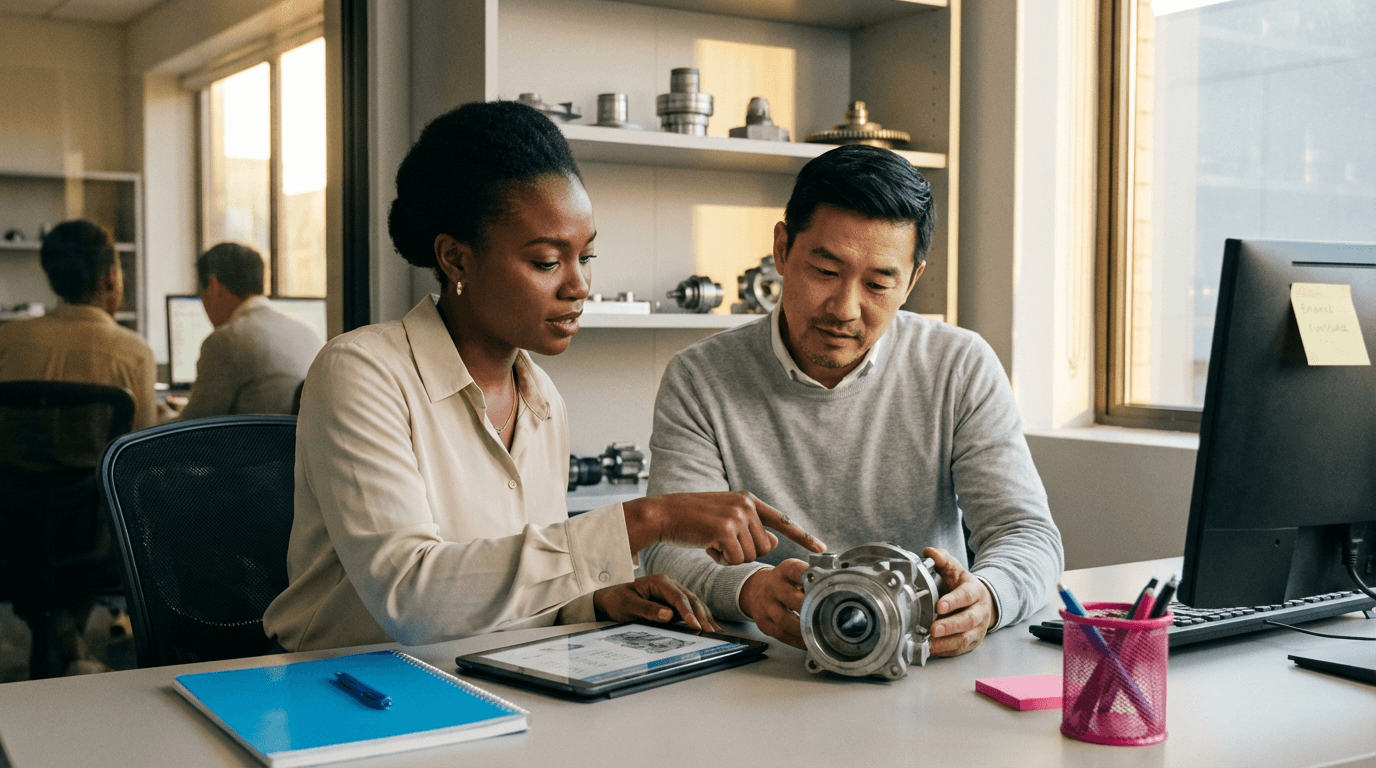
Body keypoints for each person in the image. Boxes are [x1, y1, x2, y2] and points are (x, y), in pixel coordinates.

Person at [262, 100, 824, 652]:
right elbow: (411, 598)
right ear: (456, 259)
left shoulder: (542, 399)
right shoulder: (360, 373)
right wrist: (647, 518)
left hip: (482, 674)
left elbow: (500, 590)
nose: (578, 286)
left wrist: (593, 603)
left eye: (586, 258)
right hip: (346, 684)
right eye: (547, 262)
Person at [643, 145, 1064, 655]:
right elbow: (668, 549)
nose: (845, 309)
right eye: (825, 271)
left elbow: (1025, 533)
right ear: (781, 250)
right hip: (773, 661)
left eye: (879, 283)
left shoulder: (959, 365)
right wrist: (749, 589)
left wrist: (989, 598)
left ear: (912, 281)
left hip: (923, 658)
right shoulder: (699, 377)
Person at [0, 219, 156, 430]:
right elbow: (146, 443)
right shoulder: (135, 353)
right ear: (111, 278)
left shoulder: (6, 339)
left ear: (52, 279)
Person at [166, 242, 324, 420]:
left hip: (258, 438)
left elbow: (193, 427)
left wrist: (161, 415)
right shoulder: (308, 333)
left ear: (213, 285)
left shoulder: (226, 340)